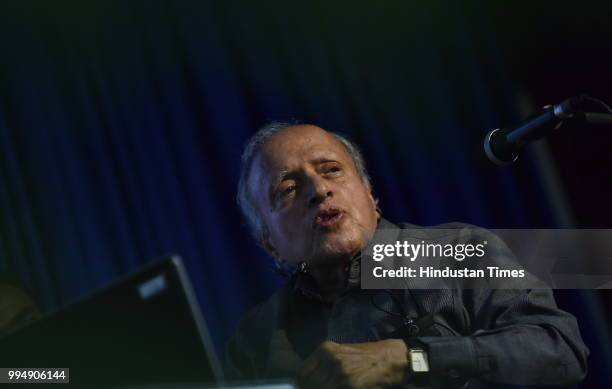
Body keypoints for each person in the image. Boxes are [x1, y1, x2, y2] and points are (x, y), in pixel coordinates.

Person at [225, 122, 588, 388]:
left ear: (370, 195)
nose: (319, 190)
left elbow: (559, 349)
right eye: (288, 189)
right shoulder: (255, 337)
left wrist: (410, 357)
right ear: (268, 241)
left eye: (332, 171)